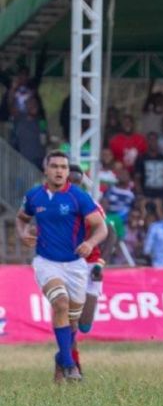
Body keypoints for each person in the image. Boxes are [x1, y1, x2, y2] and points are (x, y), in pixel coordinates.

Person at [15, 151, 108, 382]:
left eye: (63, 167)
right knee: (60, 303)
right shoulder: (34, 196)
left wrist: (90, 242)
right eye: (54, 166)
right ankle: (69, 364)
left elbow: (102, 228)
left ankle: (61, 357)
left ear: (68, 171)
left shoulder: (79, 197)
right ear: (45, 170)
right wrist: (23, 233)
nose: (59, 171)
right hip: (46, 263)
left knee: (74, 322)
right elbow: (21, 218)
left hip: (76, 266)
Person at [67, 165, 115, 374]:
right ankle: (72, 365)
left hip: (91, 266)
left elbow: (110, 234)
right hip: (67, 266)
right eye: (71, 182)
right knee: (70, 320)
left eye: (78, 182)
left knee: (84, 324)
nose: (74, 186)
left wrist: (101, 263)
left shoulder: (91, 205)